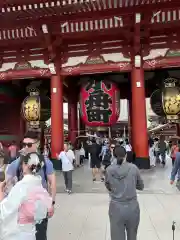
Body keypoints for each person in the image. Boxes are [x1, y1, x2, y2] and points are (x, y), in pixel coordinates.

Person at [6, 131, 56, 240]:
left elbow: (52, 183)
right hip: (23, 208)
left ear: (37, 144)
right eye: (24, 144)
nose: (26, 147)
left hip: (40, 205)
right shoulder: (18, 162)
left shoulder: (45, 162)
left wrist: (52, 202)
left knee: (40, 235)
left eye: (29, 145)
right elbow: (6, 181)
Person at [0, 152, 52, 240]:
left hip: (18, 232)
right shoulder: (39, 186)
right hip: (31, 230)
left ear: (24, 165)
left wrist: (1, 191)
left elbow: (5, 210)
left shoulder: (21, 186)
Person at [105, 146, 144, 240]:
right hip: (132, 207)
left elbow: (108, 185)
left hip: (116, 207)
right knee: (132, 236)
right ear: (126, 155)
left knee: (116, 236)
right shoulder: (134, 168)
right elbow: (141, 186)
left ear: (114, 156)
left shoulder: (109, 170)